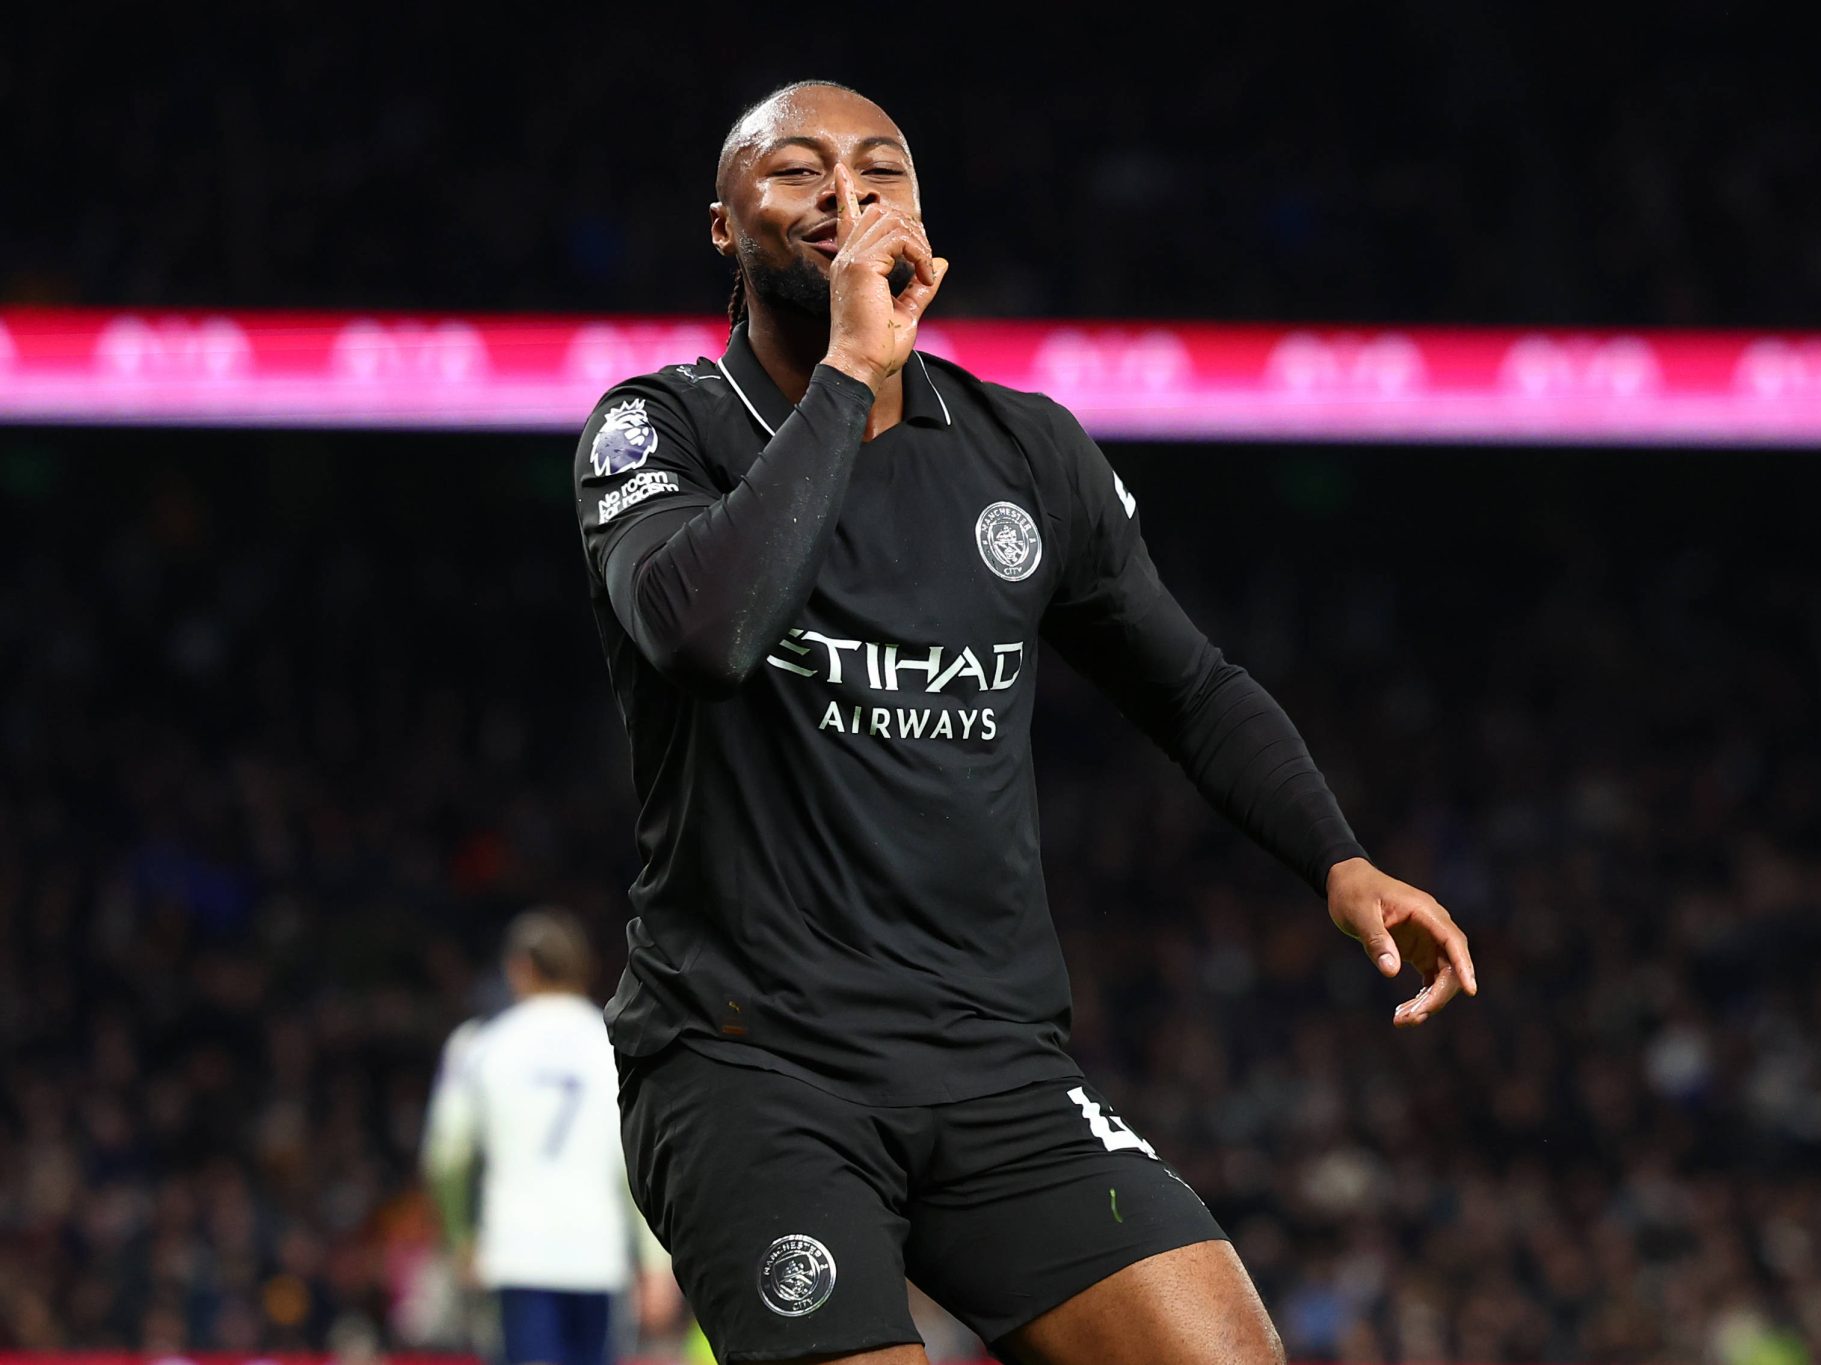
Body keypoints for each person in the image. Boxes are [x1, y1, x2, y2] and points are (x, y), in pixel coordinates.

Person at [571, 79, 1477, 1365]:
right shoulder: (656, 427)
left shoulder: (1026, 453)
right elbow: (705, 638)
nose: (844, 192)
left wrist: (1338, 860)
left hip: (993, 1067)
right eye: (797, 170)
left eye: (879, 170)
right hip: (751, 1066)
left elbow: (1189, 686)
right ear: (723, 225)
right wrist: (848, 374)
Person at [423, 910, 674, 1365]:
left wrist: (460, 1237)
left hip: (516, 1252)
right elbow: (637, 1161)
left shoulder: (479, 1046)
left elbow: (447, 1156)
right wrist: (655, 1264)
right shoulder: (614, 1045)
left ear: (518, 968)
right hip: (597, 1255)